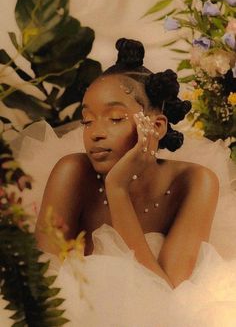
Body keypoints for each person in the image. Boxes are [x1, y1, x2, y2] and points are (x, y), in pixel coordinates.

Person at [35, 38, 236, 326]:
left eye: (115, 118)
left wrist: (117, 189)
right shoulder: (72, 173)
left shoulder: (196, 181)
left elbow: (165, 296)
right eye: (87, 121)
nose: (95, 133)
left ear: (155, 127)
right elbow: (40, 287)